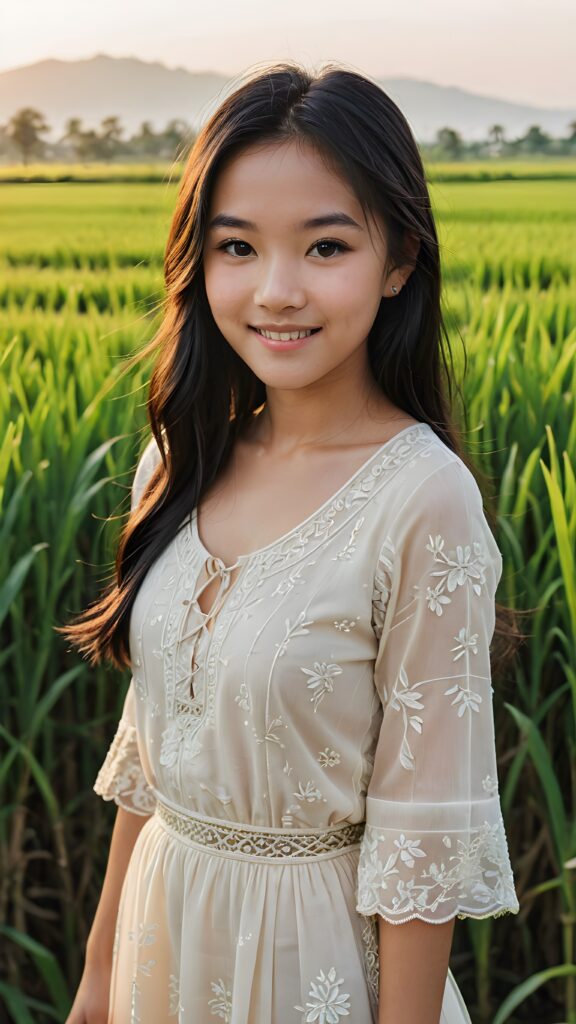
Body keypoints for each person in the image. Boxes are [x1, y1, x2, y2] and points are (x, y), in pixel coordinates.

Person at [60, 60, 520, 1024]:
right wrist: (98, 985)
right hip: (162, 941)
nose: (275, 291)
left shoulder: (422, 501)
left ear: (398, 261)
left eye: (324, 247)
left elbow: (421, 844)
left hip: (311, 965)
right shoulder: (176, 465)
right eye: (237, 247)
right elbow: (151, 758)